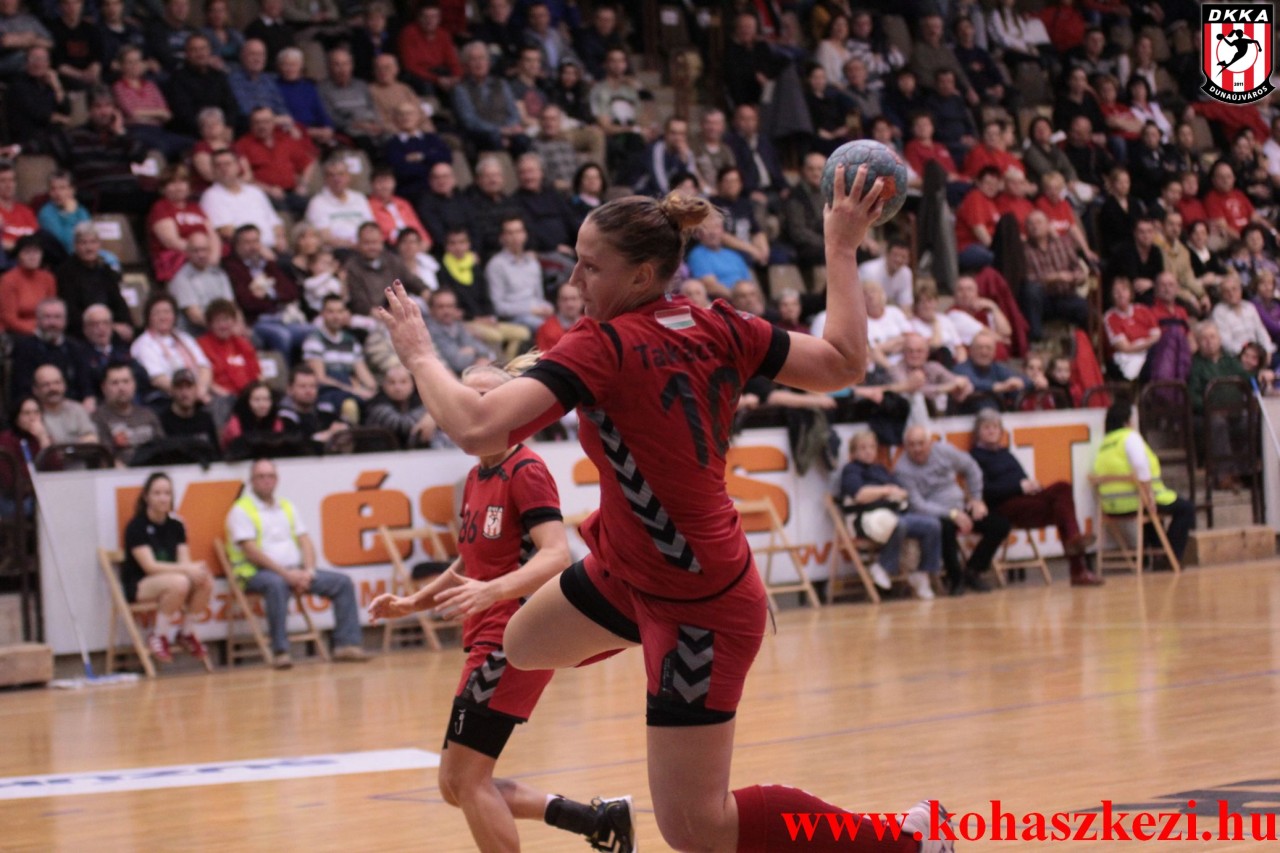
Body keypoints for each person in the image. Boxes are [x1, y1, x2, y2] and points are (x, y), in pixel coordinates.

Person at [376, 165, 954, 851]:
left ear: (643, 275)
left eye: (591, 267)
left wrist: (419, 353)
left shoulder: (606, 345)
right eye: (576, 262)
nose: (575, 281)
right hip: (629, 571)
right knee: (522, 644)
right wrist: (841, 247)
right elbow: (842, 363)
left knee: (696, 828)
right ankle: (649, 640)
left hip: (698, 602)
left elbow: (477, 427)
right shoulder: (717, 322)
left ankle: (907, 839)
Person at [369, 358, 634, 852]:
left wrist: (493, 592)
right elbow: (471, 560)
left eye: (486, 400)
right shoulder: (476, 475)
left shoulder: (526, 471)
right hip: (486, 636)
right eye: (469, 399)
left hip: (513, 638)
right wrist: (414, 602)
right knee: (455, 785)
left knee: (467, 780)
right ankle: (597, 821)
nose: (473, 409)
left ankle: (598, 822)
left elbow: (556, 555)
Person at [225, 457, 371, 668]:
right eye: (261, 476)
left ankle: (347, 645)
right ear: (251, 480)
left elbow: (306, 541)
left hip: (296, 572)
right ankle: (281, 651)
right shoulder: (240, 510)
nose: (266, 480)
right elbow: (251, 552)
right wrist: (287, 576)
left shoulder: (286, 506)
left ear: (277, 479)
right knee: (277, 585)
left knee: (342, 582)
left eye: (270, 476)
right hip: (255, 574)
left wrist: (308, 572)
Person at [968, 410, 1102, 586]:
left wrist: (1032, 485)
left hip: (1025, 500)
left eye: (995, 427)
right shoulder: (975, 457)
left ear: (1001, 430)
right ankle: (1078, 569)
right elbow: (986, 491)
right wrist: (1019, 487)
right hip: (1003, 506)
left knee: (1063, 489)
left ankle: (1074, 542)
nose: (992, 431)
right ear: (978, 432)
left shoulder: (1006, 454)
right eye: (986, 427)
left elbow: (1022, 478)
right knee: (1062, 510)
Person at [895, 424, 1009, 595]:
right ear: (905, 447)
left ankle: (973, 571)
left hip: (960, 505)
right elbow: (917, 505)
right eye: (912, 445)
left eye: (921, 443)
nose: (917, 449)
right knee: (944, 528)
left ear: (930, 443)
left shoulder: (944, 451)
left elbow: (971, 467)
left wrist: (976, 499)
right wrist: (953, 514)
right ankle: (955, 579)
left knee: (1000, 525)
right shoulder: (902, 469)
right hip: (933, 513)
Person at [121, 472, 214, 663]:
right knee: (179, 582)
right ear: (146, 497)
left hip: (173, 577)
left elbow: (184, 561)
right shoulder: (136, 526)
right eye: (157, 493)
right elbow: (150, 567)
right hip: (140, 583)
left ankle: (186, 632)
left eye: (167, 493)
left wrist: (194, 569)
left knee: (204, 578)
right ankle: (158, 635)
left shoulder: (176, 525)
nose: (163, 498)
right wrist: (186, 570)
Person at [838, 430, 942, 600]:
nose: (868, 451)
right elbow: (860, 495)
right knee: (898, 524)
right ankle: (883, 566)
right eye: (863, 448)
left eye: (871, 447)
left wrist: (889, 493)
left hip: (893, 513)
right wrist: (885, 491)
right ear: (853, 452)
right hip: (865, 518)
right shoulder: (851, 471)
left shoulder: (880, 469)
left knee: (932, 525)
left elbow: (902, 492)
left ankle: (922, 573)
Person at [1092, 400, 1195, 565]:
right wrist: (1149, 495)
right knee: (1186, 509)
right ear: (1127, 421)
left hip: (1110, 507)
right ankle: (1170, 557)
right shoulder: (1129, 438)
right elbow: (1141, 466)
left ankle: (1155, 556)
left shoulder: (1104, 445)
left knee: (1152, 515)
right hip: (1135, 501)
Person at [130, 293, 214, 404]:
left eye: (167, 312)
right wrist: (187, 394)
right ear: (148, 317)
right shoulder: (142, 344)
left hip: (199, 395)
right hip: (166, 400)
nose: (163, 317)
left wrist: (200, 391)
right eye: (157, 313)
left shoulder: (185, 338)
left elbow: (204, 367)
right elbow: (157, 379)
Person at [92, 362, 164, 465]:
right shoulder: (98, 418)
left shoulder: (148, 415)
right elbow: (104, 457)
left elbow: (162, 447)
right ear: (104, 387)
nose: (121, 388)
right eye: (115, 383)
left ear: (134, 384)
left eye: (126, 381)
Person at [364, 364, 437, 449]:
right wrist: (433, 416)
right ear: (384, 385)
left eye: (403, 382)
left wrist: (432, 417)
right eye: (392, 382)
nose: (398, 388)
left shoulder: (418, 400)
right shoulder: (376, 405)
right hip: (379, 454)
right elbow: (402, 426)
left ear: (413, 384)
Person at [0, 236, 55, 335]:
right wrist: (36, 331)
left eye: (36, 252)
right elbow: (8, 319)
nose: (32, 256)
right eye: (27, 252)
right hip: (15, 332)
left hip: (45, 329)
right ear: (18, 256)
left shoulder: (48, 278)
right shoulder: (8, 280)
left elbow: (52, 310)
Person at [158, 368, 219, 450]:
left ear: (196, 389)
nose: (185, 393)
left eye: (189, 387)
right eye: (179, 388)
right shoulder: (163, 421)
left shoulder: (205, 419)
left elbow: (216, 452)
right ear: (172, 391)